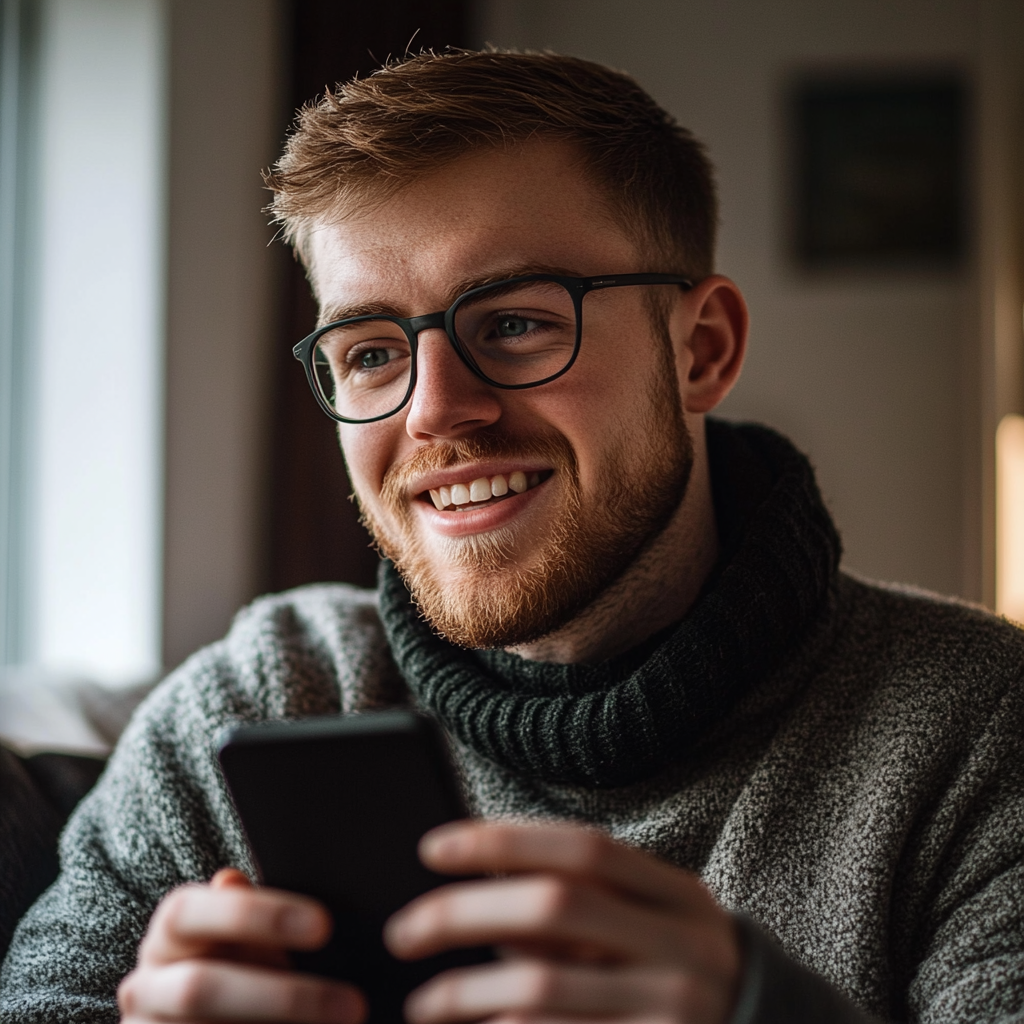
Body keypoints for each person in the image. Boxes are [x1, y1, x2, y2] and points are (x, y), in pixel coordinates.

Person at [1, 48, 1022, 1024]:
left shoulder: (980, 731)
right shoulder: (260, 706)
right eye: (368, 353)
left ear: (700, 350)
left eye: (517, 323)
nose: (434, 412)